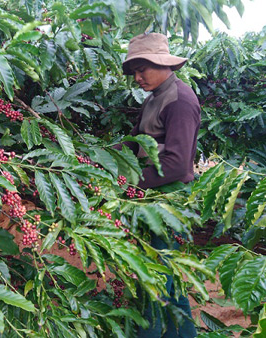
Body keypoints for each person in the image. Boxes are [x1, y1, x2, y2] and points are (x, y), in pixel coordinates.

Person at [118, 33, 201, 337]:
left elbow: (177, 165)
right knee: (170, 281)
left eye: (143, 69)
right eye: (134, 71)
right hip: (153, 195)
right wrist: (99, 160)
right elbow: (134, 140)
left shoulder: (180, 101)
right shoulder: (155, 96)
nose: (138, 77)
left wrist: (129, 182)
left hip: (170, 200)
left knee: (155, 282)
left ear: (163, 64)